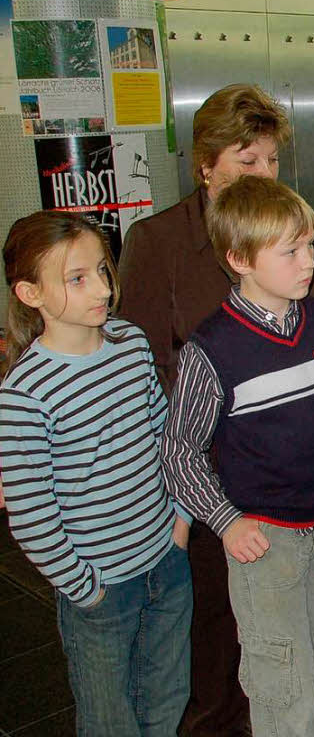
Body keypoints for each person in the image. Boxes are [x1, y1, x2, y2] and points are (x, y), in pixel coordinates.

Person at [118, 83, 314, 737]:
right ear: (207, 164)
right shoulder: (158, 240)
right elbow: (141, 357)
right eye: (247, 160)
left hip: (307, 472)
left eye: (271, 160)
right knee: (226, 627)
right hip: (218, 466)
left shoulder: (293, 233)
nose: (264, 173)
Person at [0, 212, 193, 736]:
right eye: (77, 278)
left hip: (165, 561)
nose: (102, 288)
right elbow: (31, 516)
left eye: (103, 271)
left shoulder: (129, 343)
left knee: (167, 698)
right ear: (29, 293)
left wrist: (179, 524)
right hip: (102, 584)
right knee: (110, 718)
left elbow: (162, 434)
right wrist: (85, 588)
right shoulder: (24, 393)